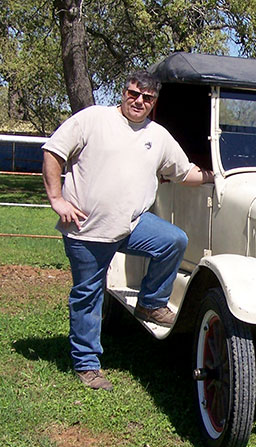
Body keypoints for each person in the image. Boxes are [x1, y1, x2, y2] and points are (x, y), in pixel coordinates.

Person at [42, 71, 212, 391]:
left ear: (153, 102)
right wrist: (56, 199)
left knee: (173, 241)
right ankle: (87, 364)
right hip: (87, 230)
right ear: (123, 93)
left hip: (132, 225)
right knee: (88, 295)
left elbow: (183, 172)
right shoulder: (93, 119)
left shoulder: (158, 135)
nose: (138, 101)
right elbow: (54, 151)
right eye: (133, 94)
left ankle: (151, 303)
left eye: (147, 98)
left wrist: (215, 175)